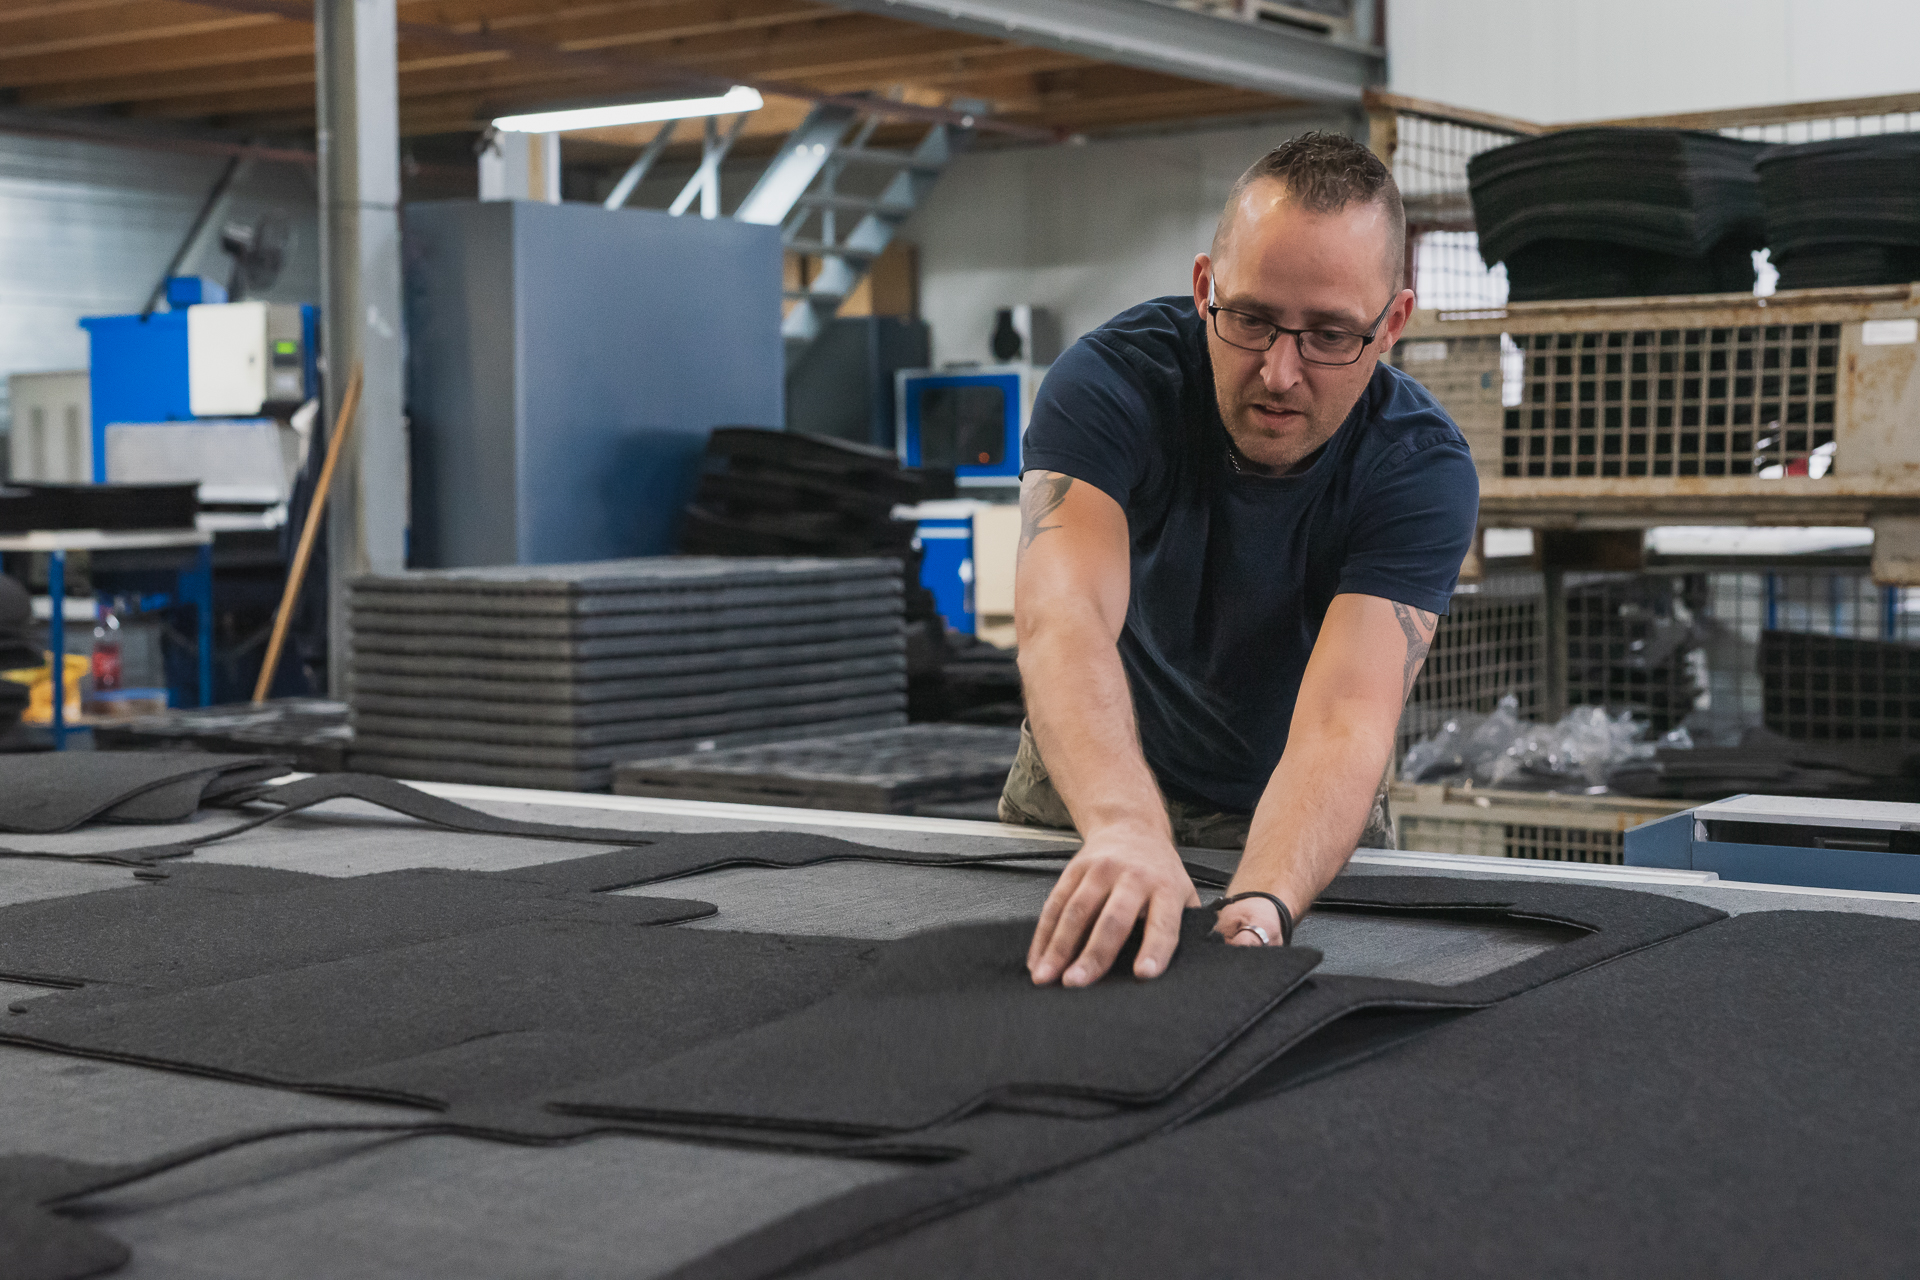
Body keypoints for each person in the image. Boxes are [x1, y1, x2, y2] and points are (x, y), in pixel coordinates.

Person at [1005, 131, 1479, 988]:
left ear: (1392, 325)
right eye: (1251, 318)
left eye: (1330, 334)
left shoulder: (1417, 469)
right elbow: (1063, 619)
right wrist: (1125, 826)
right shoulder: (1110, 386)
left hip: (1296, 799)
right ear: (1204, 288)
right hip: (1093, 776)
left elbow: (1344, 721)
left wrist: (1265, 905)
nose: (1280, 372)